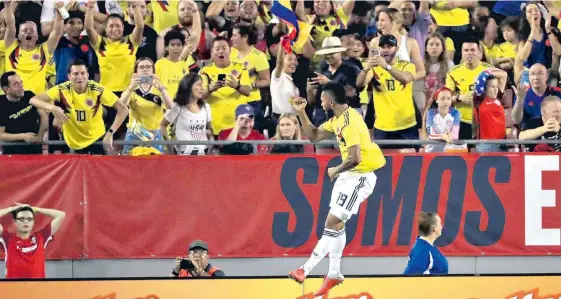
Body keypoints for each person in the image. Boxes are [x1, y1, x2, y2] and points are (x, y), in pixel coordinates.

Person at [288, 82, 386, 296]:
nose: (321, 102)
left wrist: (336, 169)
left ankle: (306, 269)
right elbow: (313, 136)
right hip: (348, 175)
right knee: (335, 223)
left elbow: (355, 158)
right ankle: (333, 273)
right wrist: (301, 112)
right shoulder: (337, 120)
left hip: (361, 176)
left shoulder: (350, 122)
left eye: (322, 99)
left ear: (330, 101)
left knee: (332, 221)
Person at [29, 60, 129, 154]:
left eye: (83, 73)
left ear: (88, 75)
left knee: (95, 172)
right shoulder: (62, 89)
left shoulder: (97, 89)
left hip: (96, 138)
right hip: (72, 142)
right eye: (76, 74)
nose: (80, 77)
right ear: (69, 76)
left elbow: (123, 109)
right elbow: (33, 100)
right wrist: (53, 108)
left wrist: (110, 133)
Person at [356, 34, 418, 147]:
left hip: (407, 125)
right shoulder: (374, 67)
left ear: (397, 48)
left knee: (411, 163)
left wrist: (387, 67)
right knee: (383, 163)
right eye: (382, 47)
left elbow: (406, 78)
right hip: (382, 127)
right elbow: (359, 84)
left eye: (389, 46)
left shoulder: (407, 65)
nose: (385, 50)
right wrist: (365, 69)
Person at [3, 0, 64, 96]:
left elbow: (57, 32)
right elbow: (10, 25)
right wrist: (7, 5)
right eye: (24, 30)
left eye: (32, 30)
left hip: (36, 101)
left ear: (37, 36)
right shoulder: (11, 47)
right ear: (18, 35)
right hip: (13, 101)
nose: (28, 32)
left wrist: (60, 12)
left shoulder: (44, 49)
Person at [199, 36, 251, 137]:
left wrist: (237, 86)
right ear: (212, 52)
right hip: (214, 125)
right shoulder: (205, 71)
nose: (220, 51)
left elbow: (247, 91)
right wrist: (210, 89)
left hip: (237, 125)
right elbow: (200, 96)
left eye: (224, 48)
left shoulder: (241, 68)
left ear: (230, 50)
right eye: (217, 49)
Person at [121, 57, 172, 155]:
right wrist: (130, 88)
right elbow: (121, 105)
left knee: (155, 167)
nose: (145, 69)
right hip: (134, 132)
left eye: (148, 67)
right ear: (136, 71)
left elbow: (170, 106)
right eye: (141, 67)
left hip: (154, 133)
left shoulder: (159, 88)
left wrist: (162, 90)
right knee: (129, 165)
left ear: (153, 71)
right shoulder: (131, 88)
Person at [445, 37, 493, 140]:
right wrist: (460, 98)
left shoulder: (489, 70)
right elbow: (447, 98)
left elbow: (497, 95)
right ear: (461, 52)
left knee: (482, 154)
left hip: (485, 119)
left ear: (479, 52)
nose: (469, 53)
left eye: (472, 50)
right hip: (461, 121)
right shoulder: (453, 72)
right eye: (466, 50)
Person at [0, 203, 65, 279]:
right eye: (21, 218)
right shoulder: (7, 239)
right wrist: (12, 209)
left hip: (38, 288)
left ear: (33, 222)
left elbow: (61, 215)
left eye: (29, 219)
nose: (26, 221)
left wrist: (36, 209)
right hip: (14, 288)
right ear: (15, 222)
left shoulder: (41, 237)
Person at [161, 73, 214, 156]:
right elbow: (162, 125)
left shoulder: (206, 107)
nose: (202, 88)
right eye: (199, 84)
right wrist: (170, 148)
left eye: (202, 85)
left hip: (203, 154)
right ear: (189, 87)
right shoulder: (177, 107)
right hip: (183, 155)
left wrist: (210, 146)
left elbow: (210, 129)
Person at [0, 71, 47, 155]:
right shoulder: (1, 103)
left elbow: (43, 116)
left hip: (35, 150)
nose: (21, 86)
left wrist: (40, 136)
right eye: (15, 84)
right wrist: (23, 136)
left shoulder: (29, 95)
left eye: (21, 82)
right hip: (13, 153)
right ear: (6, 89)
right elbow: (1, 135)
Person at [512, 63, 561, 129]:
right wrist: (519, 100)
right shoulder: (522, 94)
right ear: (528, 77)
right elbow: (516, 121)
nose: (536, 77)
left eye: (540, 73)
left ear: (547, 76)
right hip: (530, 134)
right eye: (532, 74)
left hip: (554, 133)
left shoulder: (558, 93)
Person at [472, 70, 508, 153]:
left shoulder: (497, 97)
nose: (496, 89)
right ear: (484, 89)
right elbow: (475, 79)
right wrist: (484, 73)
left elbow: (504, 75)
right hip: (486, 145)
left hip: (502, 143)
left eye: (496, 86)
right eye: (492, 86)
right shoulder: (479, 101)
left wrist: (488, 71)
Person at [424, 87, 461, 153]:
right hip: (431, 151)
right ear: (436, 100)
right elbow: (431, 134)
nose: (446, 101)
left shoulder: (455, 113)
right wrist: (443, 136)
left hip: (448, 151)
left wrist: (450, 136)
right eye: (442, 99)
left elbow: (455, 135)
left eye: (448, 98)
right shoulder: (431, 113)